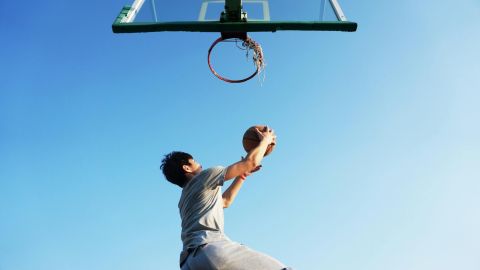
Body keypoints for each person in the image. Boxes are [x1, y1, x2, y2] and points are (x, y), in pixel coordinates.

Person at [160, 127, 292, 270]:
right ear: (187, 168)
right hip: (211, 249)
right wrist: (266, 140)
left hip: (189, 263)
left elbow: (224, 201)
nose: (200, 164)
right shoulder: (205, 176)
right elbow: (251, 162)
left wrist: (242, 176)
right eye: (195, 162)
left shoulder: (184, 200)